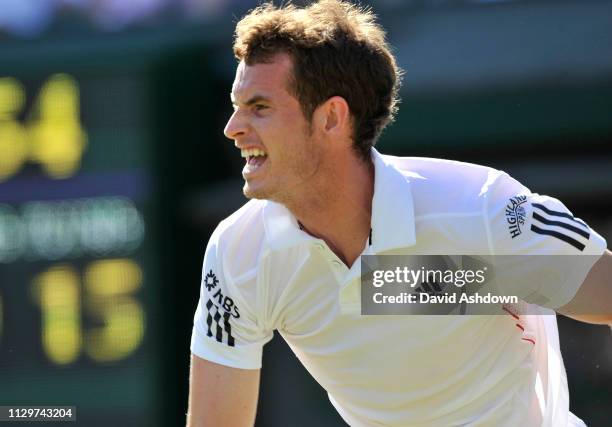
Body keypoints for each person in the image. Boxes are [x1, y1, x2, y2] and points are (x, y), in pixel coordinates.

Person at [186, 1, 612, 426]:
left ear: (332, 117)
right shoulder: (238, 254)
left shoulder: (479, 209)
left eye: (259, 107)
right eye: (236, 105)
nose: (232, 127)